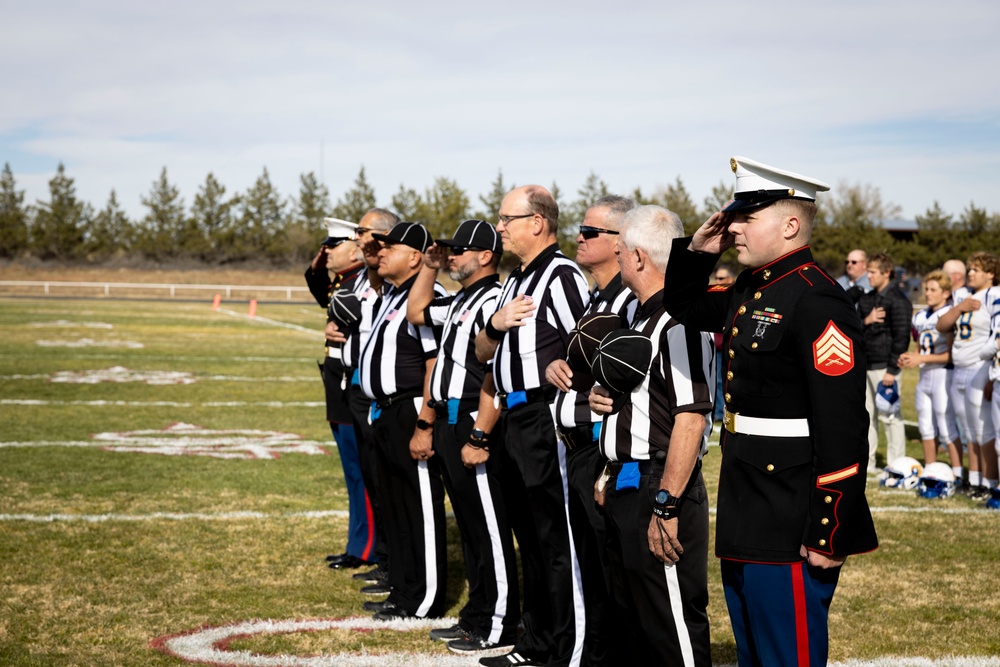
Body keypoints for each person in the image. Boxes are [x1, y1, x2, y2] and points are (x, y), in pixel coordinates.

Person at [663, 156, 878, 667]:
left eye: (746, 217)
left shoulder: (816, 299)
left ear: (789, 225)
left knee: (788, 654)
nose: (732, 226)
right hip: (746, 499)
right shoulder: (750, 287)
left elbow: (843, 425)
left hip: (791, 512)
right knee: (753, 652)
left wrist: (829, 529)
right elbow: (683, 306)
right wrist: (696, 250)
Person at [588, 204, 714, 666]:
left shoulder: (681, 321)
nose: (615, 258)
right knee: (634, 621)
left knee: (670, 623)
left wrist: (667, 504)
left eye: (619, 250)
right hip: (627, 481)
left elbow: (691, 419)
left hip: (660, 485)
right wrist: (610, 463)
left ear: (638, 257)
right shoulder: (639, 319)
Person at [474, 185, 589, 667]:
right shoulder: (514, 279)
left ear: (537, 222)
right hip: (513, 417)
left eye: (506, 218)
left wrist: (566, 386)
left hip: (546, 418)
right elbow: (482, 353)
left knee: (556, 536)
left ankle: (569, 647)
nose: (499, 227)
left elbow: (587, 342)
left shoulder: (561, 275)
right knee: (533, 538)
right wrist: (497, 324)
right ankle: (537, 641)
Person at [406, 219, 520, 655]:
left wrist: (480, 434)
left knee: (490, 527)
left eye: (458, 251)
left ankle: (500, 623)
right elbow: (418, 310)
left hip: (476, 417)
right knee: (472, 527)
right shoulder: (459, 300)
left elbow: (495, 370)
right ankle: (478, 613)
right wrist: (430, 267)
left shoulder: (495, 297)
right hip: (451, 419)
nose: (450, 256)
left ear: (486, 256)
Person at [544, 195, 637, 667]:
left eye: (591, 231)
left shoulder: (630, 300)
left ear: (622, 242)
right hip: (577, 450)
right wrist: (559, 366)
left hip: (604, 453)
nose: (578, 236)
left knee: (612, 575)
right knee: (593, 573)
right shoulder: (598, 297)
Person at [357, 221, 449, 620]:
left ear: (415, 256)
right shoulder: (392, 295)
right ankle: (403, 590)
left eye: (390, 247)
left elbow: (434, 363)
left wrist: (425, 422)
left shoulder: (427, 296)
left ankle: (424, 600)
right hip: (386, 411)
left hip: (411, 409)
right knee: (396, 506)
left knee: (420, 508)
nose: (381, 253)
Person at [332, 208, 400, 592]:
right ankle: (387, 561)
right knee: (376, 482)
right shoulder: (364, 283)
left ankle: (403, 570)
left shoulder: (410, 291)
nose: (358, 239)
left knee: (393, 487)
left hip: (394, 401)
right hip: (361, 391)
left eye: (364, 232)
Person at [304, 217, 373, 570]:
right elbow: (319, 288)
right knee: (352, 472)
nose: (326, 253)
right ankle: (357, 543)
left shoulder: (363, 282)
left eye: (333, 246)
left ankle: (365, 547)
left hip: (352, 385)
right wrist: (319, 261)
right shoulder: (342, 282)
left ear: (356, 249)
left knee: (361, 473)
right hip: (337, 385)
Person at [936, 251, 1000, 498]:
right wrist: (959, 307)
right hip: (961, 369)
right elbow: (942, 325)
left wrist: (991, 376)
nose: (970, 272)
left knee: (983, 430)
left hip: (979, 367)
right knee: (969, 430)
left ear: (991, 273)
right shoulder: (965, 296)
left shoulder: (994, 295)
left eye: (976, 269)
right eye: (970, 268)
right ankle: (975, 479)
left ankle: (989, 481)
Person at [898, 271, 963, 470]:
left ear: (945, 293)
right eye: (926, 289)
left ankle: (958, 472)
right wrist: (910, 357)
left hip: (944, 374)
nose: (927, 293)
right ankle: (931, 469)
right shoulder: (920, 316)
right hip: (925, 374)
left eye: (933, 290)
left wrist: (920, 358)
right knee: (925, 427)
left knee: (947, 427)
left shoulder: (948, 314)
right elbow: (920, 348)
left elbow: (951, 355)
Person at [857, 253, 912, 472]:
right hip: (866, 366)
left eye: (872, 272)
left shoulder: (898, 299)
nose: (868, 276)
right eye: (868, 271)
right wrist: (866, 320)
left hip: (886, 369)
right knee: (867, 417)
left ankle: (896, 464)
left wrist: (892, 370)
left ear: (886, 272)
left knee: (890, 417)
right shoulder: (867, 299)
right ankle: (869, 464)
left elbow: (902, 337)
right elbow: (854, 331)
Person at [711, 265, 737, 421]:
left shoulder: (735, 296)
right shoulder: (715, 295)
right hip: (716, 347)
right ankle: (719, 412)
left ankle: (722, 413)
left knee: (725, 381)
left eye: (722, 278)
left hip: (729, 346)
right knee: (717, 381)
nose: (718, 281)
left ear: (730, 279)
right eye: (717, 278)